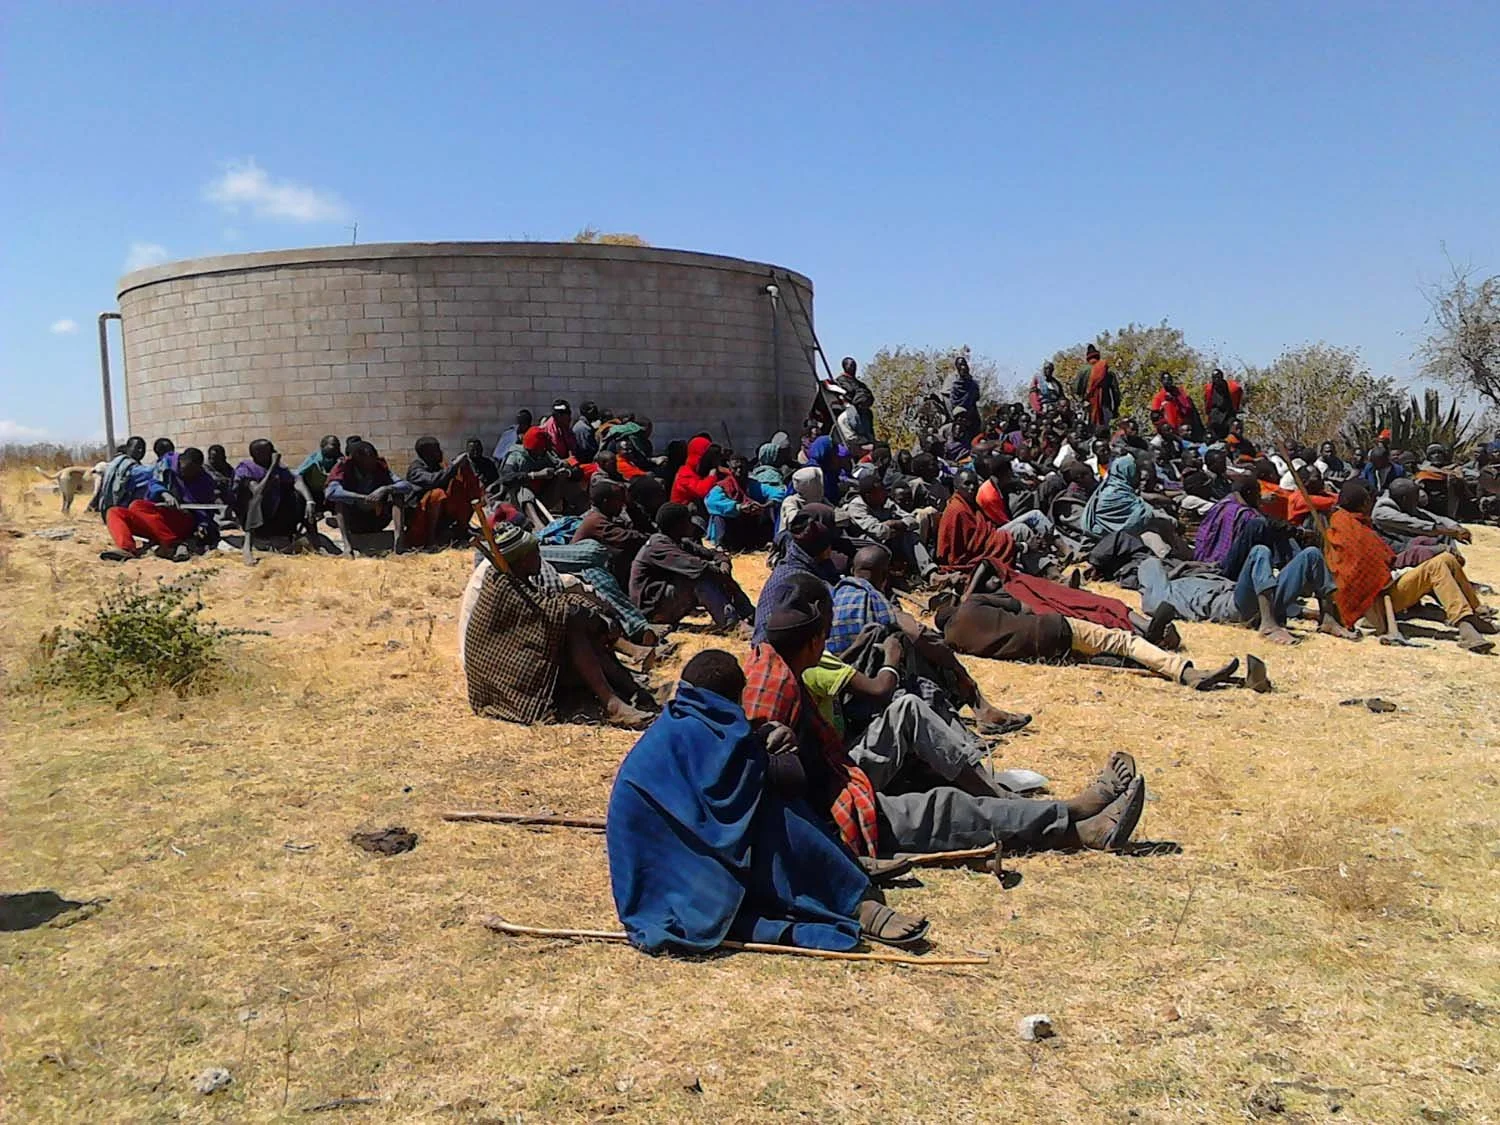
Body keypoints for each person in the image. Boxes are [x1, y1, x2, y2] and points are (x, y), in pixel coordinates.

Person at [745, 574, 1150, 859]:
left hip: (836, 782)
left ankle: (1061, 819)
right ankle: (1077, 820)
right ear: (814, 640)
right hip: (826, 814)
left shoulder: (773, 667)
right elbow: (775, 790)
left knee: (909, 716)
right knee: (945, 809)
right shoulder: (775, 691)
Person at [607, 649, 925, 953]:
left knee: (760, 808)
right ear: (734, 699)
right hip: (682, 889)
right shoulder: (719, 737)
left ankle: (843, 870)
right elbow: (786, 780)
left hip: (649, 887)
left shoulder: (675, 726)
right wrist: (776, 746)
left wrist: (763, 740)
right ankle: (856, 903)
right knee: (776, 815)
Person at [461, 523, 656, 728]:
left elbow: (551, 602)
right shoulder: (502, 586)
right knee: (571, 625)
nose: (539, 557)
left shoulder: (518, 577)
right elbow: (551, 613)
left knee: (575, 623)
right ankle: (614, 701)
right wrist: (596, 619)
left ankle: (628, 692)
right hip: (504, 681)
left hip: (522, 658)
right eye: (535, 553)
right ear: (522, 559)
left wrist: (593, 614)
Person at [831, 545, 1032, 729]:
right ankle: (981, 710)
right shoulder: (875, 599)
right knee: (919, 645)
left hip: (840, 692)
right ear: (885, 575)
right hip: (872, 689)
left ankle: (979, 711)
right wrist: (956, 666)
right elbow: (917, 633)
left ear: (852, 570)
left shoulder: (833, 597)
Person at [936, 571, 1241, 689]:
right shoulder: (971, 604)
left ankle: (1139, 660)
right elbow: (1024, 608)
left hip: (1043, 654)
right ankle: (1184, 672)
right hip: (1053, 628)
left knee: (1100, 652)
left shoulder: (953, 641)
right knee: (1122, 641)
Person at [1324, 480, 1495, 652]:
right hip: (1375, 602)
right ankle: (1465, 627)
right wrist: (1408, 566)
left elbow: (1388, 560)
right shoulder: (1351, 529)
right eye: (1370, 501)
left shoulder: (1355, 523)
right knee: (1436, 567)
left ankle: (1473, 614)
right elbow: (1370, 572)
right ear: (1364, 504)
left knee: (1446, 559)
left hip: (1384, 587)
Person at [629, 503, 756, 635]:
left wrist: (723, 563)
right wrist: (721, 572)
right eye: (687, 521)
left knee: (713, 573)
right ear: (677, 525)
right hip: (652, 610)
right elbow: (698, 567)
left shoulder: (679, 541)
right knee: (700, 578)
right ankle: (732, 625)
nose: (691, 524)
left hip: (664, 601)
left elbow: (712, 554)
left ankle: (749, 614)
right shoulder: (658, 546)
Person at [100, 445, 219, 561]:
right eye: (184, 469)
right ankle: (127, 549)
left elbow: (206, 510)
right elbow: (154, 483)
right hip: (156, 520)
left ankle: (172, 544)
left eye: (191, 471)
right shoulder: (167, 464)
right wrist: (164, 493)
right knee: (114, 511)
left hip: (182, 522)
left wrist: (202, 524)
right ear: (180, 461)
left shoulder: (205, 481)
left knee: (137, 506)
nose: (185, 473)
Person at [841, 470, 937, 582]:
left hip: (889, 538)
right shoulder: (857, 506)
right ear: (869, 496)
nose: (884, 494)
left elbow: (912, 520)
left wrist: (896, 523)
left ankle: (930, 573)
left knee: (911, 537)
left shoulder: (886, 502)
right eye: (880, 492)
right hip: (868, 545)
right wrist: (893, 528)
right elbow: (878, 531)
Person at [325, 441, 416, 544]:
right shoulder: (344, 467)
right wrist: (361, 497)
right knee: (339, 502)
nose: (372, 464)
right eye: (367, 461)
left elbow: (406, 486)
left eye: (373, 459)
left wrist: (385, 489)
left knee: (398, 494)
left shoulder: (380, 467)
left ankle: (398, 540)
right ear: (357, 461)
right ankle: (347, 545)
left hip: (377, 516)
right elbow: (331, 492)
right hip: (354, 518)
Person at [573, 477, 651, 588]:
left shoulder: (605, 517)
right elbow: (626, 538)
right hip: (585, 572)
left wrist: (631, 506)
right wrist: (650, 539)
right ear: (606, 502)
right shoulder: (596, 520)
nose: (622, 504)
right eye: (618, 500)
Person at [233, 439, 317, 541]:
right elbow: (258, 492)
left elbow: (296, 480)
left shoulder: (279, 468)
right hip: (257, 518)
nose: (275, 453)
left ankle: (313, 539)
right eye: (271, 450)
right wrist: (272, 467)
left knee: (298, 494)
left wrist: (309, 501)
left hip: (277, 514)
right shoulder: (246, 468)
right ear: (258, 454)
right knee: (257, 500)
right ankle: (251, 539)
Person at [500, 427, 578, 526]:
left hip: (543, 496)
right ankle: (538, 525)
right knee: (524, 490)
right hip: (519, 501)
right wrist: (535, 475)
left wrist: (566, 472)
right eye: (541, 449)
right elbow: (506, 478)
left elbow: (562, 464)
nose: (544, 451)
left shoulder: (545, 455)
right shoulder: (516, 456)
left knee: (563, 480)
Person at [96, 436, 149, 522]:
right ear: (128, 448)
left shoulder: (131, 465)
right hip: (123, 511)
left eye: (143, 448)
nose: (141, 451)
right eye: (137, 447)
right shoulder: (125, 467)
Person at [833, 356, 876, 444]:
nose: (853, 367)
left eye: (854, 365)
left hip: (863, 414)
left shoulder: (860, 384)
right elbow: (849, 393)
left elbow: (869, 395)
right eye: (851, 365)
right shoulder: (841, 381)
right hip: (850, 410)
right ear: (845, 366)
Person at [670, 435, 722, 507]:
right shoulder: (684, 475)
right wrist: (711, 476)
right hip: (680, 511)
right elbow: (701, 491)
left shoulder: (696, 472)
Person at [1149, 373, 1204, 439]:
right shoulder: (1158, 397)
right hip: (1169, 432)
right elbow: (1155, 416)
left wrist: (1175, 400)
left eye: (1169, 380)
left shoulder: (1180, 393)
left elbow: (1188, 409)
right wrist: (1164, 426)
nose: (1168, 382)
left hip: (1183, 430)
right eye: (1165, 380)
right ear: (1161, 381)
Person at [1077, 345, 1120, 427]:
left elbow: (1076, 390)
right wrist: (1115, 409)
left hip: (1088, 406)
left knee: (1089, 430)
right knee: (1105, 430)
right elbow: (1116, 392)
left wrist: (1082, 400)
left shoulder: (1083, 370)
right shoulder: (1107, 370)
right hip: (1105, 406)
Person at [295, 435, 343, 507]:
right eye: (333, 444)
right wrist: (309, 500)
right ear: (323, 446)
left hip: (329, 495)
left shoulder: (340, 460)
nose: (337, 447)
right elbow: (298, 477)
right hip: (311, 493)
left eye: (338, 445)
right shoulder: (314, 459)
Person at [1203, 369, 1243, 440]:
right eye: (1214, 378)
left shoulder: (1231, 388)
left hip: (1228, 414)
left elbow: (1237, 399)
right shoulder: (1210, 389)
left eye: (1218, 377)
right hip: (1215, 415)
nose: (1216, 379)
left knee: (1234, 426)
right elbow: (1207, 403)